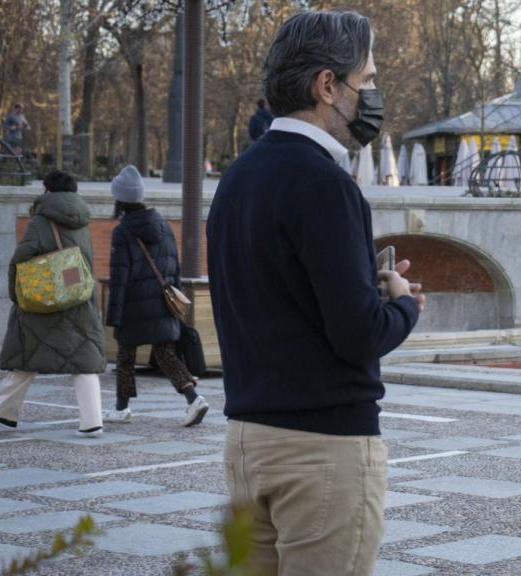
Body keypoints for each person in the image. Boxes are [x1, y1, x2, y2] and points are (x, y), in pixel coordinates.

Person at [208, 10, 425, 575]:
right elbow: (359, 335)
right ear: (328, 85)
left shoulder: (237, 178)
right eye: (367, 80)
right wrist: (403, 304)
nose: (373, 94)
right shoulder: (326, 184)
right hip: (323, 449)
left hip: (247, 439)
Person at [0, 170, 105, 437]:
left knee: (25, 357)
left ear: (47, 190)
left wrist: (17, 295)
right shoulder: (82, 220)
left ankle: (3, 415)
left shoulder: (41, 220)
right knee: (84, 359)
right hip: (78, 297)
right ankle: (92, 422)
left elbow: (20, 259)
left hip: (44, 300)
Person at [103, 165, 209, 426]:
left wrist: (113, 316)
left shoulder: (122, 231)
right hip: (162, 302)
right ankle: (193, 398)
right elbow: (175, 266)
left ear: (119, 199)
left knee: (126, 355)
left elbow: (120, 276)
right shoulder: (163, 225)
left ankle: (121, 408)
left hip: (134, 305)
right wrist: (175, 301)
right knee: (165, 354)